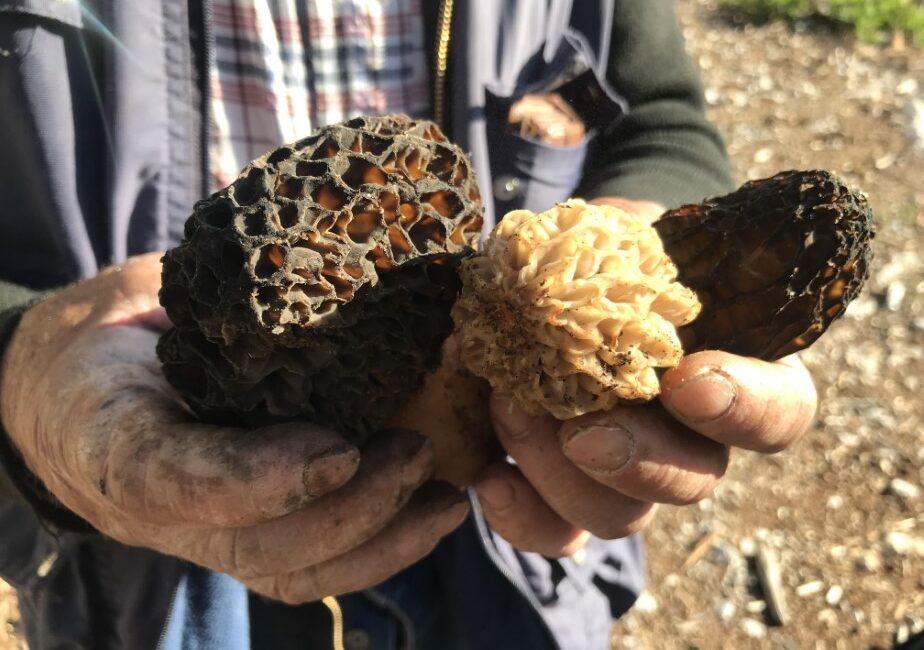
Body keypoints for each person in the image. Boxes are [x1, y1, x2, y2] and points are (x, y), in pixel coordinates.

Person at [0, 1, 818, 648]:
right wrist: (22, 357)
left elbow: (657, 117)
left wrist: (620, 266)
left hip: (511, 537)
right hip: (151, 562)